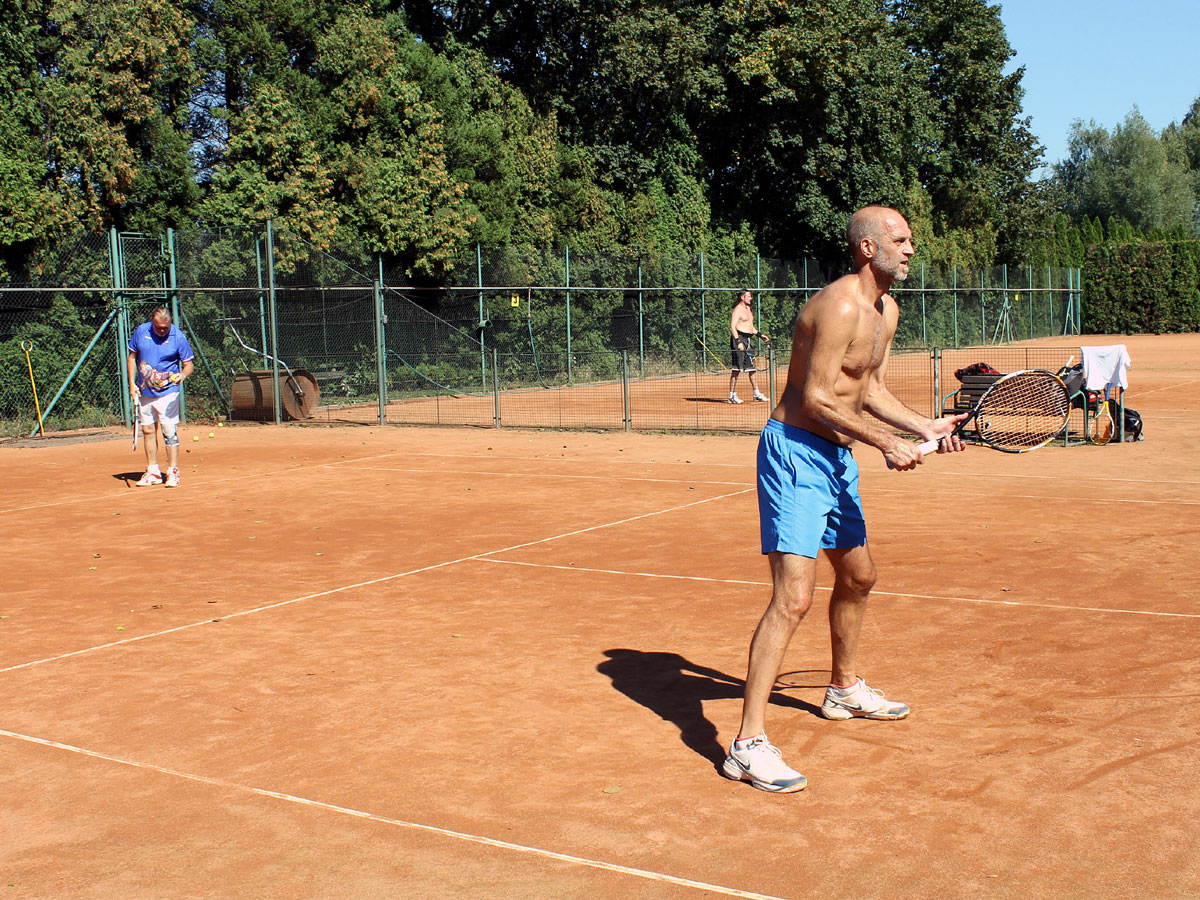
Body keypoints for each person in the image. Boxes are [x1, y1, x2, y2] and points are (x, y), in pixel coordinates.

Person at [721, 206, 967, 793]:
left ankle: (843, 688)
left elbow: (868, 388)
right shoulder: (839, 306)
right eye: (900, 240)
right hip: (795, 453)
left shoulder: (887, 311)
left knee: (859, 576)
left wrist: (923, 426)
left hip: (836, 459)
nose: (910, 249)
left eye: (910, 240)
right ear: (867, 248)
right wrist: (886, 442)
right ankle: (747, 745)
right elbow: (814, 397)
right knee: (794, 598)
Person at [127, 305, 195, 488]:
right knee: (148, 430)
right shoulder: (141, 331)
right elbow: (132, 357)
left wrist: (182, 375)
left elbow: (189, 365)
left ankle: (173, 472)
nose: (163, 330)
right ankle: (153, 472)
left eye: (166, 327)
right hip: (145, 391)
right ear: (152, 323)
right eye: (159, 327)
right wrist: (132, 384)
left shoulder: (178, 336)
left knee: (169, 431)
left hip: (168, 392)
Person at [728, 289, 770, 404]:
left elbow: (750, 327)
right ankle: (732, 395)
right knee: (737, 368)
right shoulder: (737, 310)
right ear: (742, 297)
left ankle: (757, 394)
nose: (751, 298)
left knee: (752, 368)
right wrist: (738, 342)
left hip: (749, 340)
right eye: (749, 296)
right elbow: (732, 327)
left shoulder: (748, 309)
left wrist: (760, 335)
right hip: (739, 339)